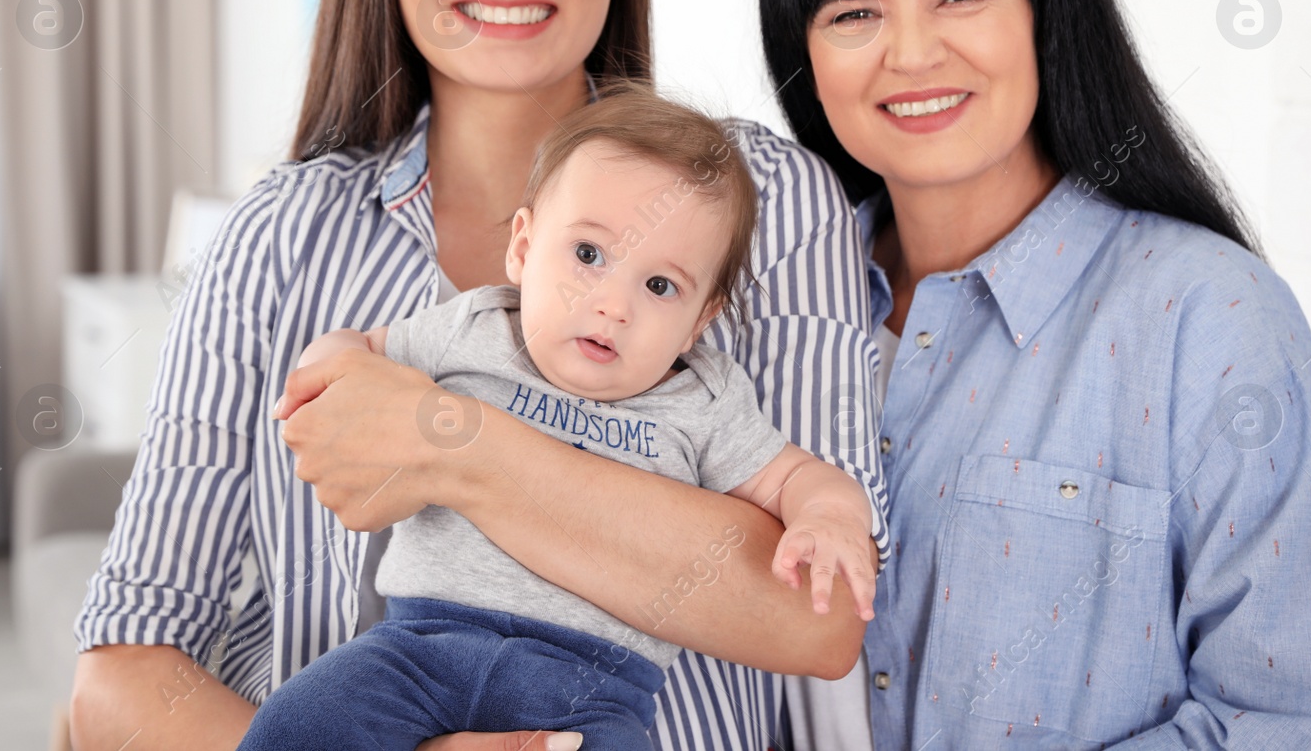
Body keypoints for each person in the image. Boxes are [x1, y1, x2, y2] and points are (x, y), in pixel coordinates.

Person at [70, 0, 888, 751]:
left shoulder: (763, 200)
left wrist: (447, 444)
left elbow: (813, 620)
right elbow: (117, 675)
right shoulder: (279, 237)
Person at [760, 0, 1311, 749]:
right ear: (802, 58)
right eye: (855, 11)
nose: (910, 51)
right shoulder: (756, 311)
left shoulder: (1210, 318)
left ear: (1045, 11)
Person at [238, 84, 879, 750]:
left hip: (592, 686)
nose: (612, 304)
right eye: (589, 255)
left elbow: (794, 477)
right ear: (523, 246)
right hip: (415, 651)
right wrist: (328, 367)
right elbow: (361, 354)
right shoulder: (476, 326)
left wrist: (829, 514)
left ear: (702, 319)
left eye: (660, 286)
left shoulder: (704, 399)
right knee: (296, 721)